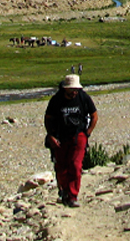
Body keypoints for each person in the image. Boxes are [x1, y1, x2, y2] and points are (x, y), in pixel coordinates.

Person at [44, 73, 97, 207]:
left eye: (76, 89)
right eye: (72, 89)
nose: (74, 92)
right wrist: (51, 135)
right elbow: (48, 119)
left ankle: (73, 196)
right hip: (59, 136)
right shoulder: (56, 100)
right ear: (65, 88)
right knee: (61, 167)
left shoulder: (83, 97)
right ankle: (64, 191)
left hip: (78, 135)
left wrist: (87, 133)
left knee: (75, 165)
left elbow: (94, 115)